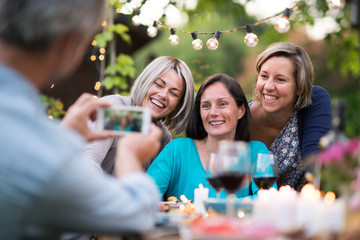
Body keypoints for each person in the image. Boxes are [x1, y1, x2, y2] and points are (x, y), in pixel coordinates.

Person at [0, 0, 164, 239]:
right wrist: (130, 155)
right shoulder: (48, 160)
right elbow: (136, 214)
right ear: (70, 42)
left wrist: (65, 135)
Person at [147, 73, 271, 201]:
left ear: (241, 110)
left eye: (222, 104)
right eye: (206, 106)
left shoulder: (256, 152)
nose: (213, 113)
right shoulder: (177, 150)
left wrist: (218, 207)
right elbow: (143, 196)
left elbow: (268, 199)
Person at [84, 56, 195, 173]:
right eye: (158, 84)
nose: (163, 95)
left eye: (173, 93)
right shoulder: (117, 110)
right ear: (146, 81)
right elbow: (87, 161)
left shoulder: (162, 137)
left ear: (179, 105)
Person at [249, 42, 332, 192]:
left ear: (300, 87)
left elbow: (316, 162)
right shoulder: (239, 117)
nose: (268, 86)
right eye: (264, 76)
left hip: (302, 209)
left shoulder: (314, 101)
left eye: (280, 79)